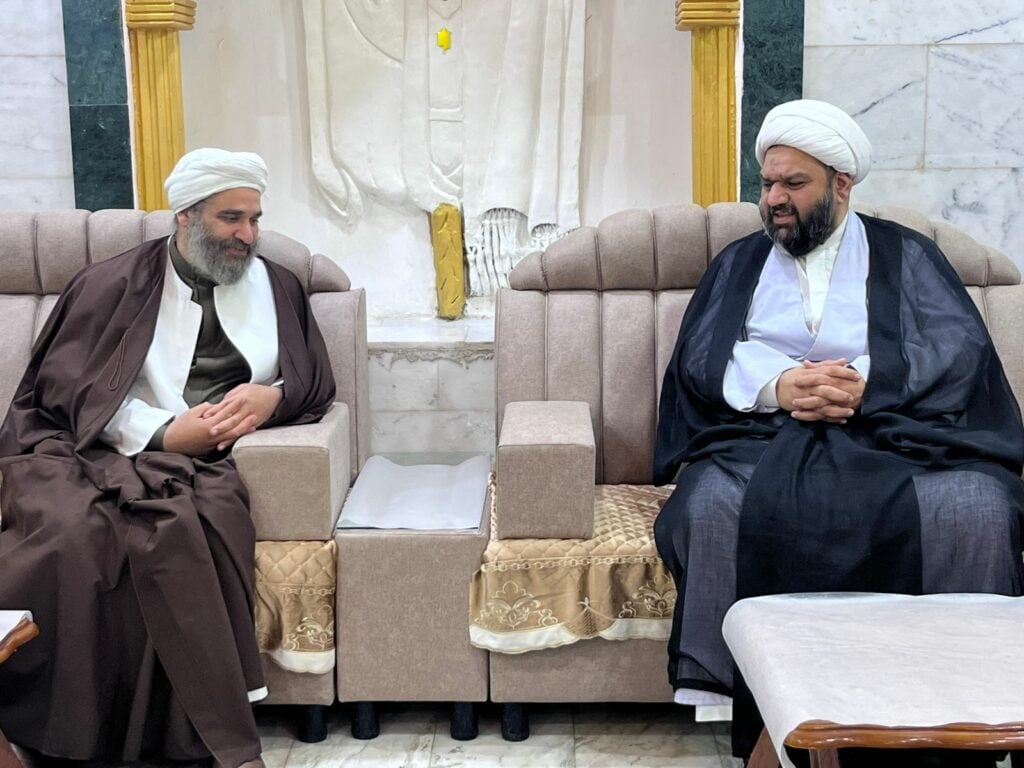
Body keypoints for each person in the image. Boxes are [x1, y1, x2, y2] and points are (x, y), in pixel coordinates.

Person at [652, 100, 1024, 762]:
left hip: (893, 432)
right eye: (768, 184)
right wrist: (778, 386)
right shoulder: (741, 261)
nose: (775, 199)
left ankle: (961, 701)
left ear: (841, 185)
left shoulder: (907, 254)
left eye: (793, 184)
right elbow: (701, 357)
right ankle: (763, 700)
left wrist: (866, 384)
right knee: (710, 503)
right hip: (764, 435)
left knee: (977, 506)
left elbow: (957, 349)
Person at [0, 148, 336, 768]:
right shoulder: (109, 284)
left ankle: (181, 735)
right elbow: (63, 395)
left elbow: (313, 378)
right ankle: (78, 734)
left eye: (255, 219)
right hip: (98, 446)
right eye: (231, 218)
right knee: (75, 535)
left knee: (184, 522)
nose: (248, 235)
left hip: (207, 462)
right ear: (185, 216)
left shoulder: (279, 285)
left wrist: (273, 396)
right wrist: (159, 433)